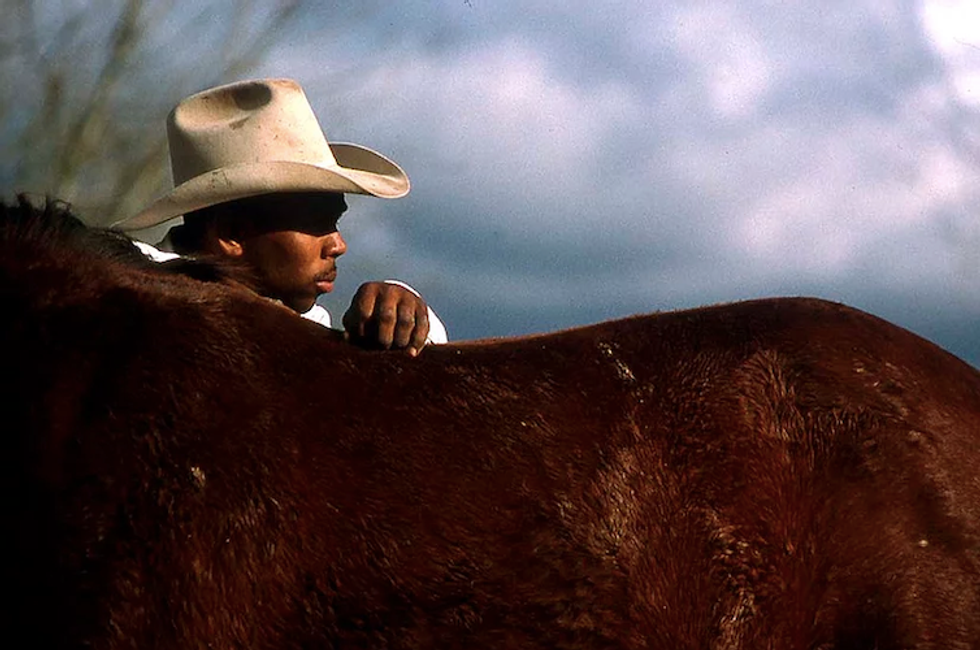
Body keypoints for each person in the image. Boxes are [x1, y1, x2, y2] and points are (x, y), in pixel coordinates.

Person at [111, 77, 447, 355]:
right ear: (232, 234)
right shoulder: (127, 309)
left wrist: (405, 312)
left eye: (336, 222)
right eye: (318, 224)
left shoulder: (297, 318)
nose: (339, 245)